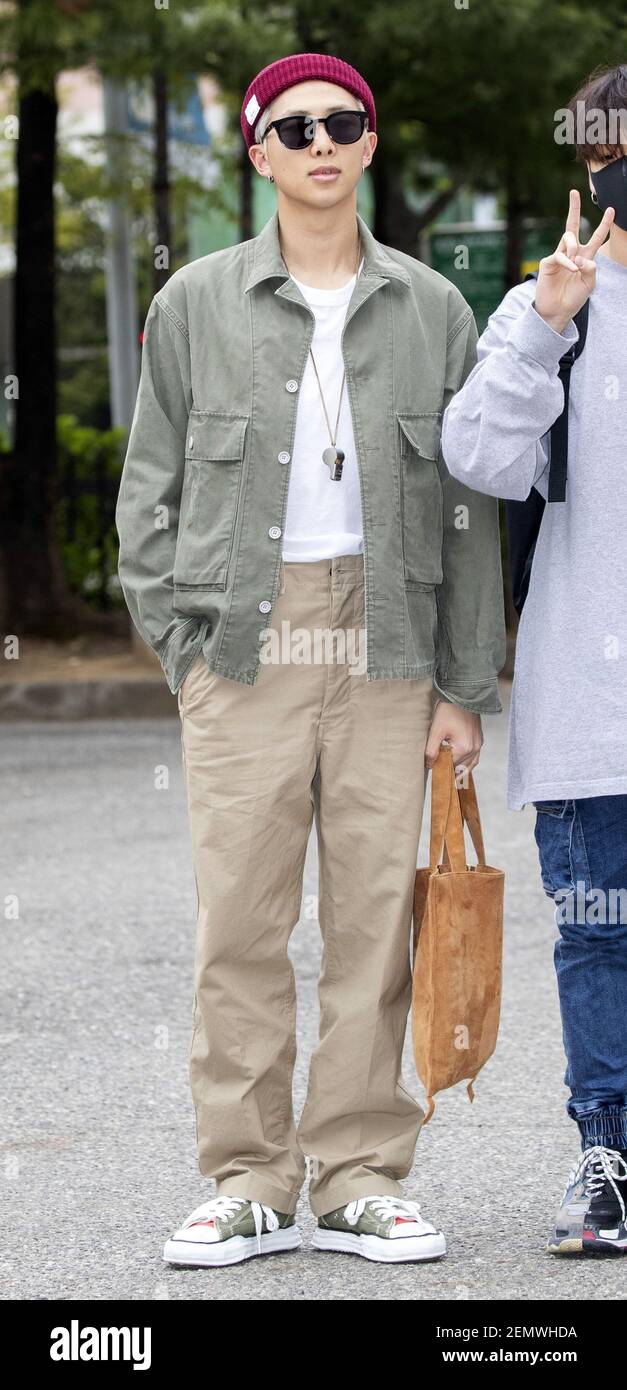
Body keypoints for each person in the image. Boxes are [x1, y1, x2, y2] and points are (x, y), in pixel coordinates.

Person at [115, 51, 506, 1268]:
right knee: (240, 919)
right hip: (244, 634)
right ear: (259, 152)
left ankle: (356, 1177)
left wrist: (461, 684)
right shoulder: (197, 304)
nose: (322, 141)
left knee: (376, 924)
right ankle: (244, 1178)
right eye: (296, 128)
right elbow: (152, 488)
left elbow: (465, 508)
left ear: (371, 145)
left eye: (345, 122)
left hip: (392, 634)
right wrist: (181, 649)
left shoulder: (433, 306)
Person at [441, 64, 627, 1256]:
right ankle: (606, 1159)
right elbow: (477, 457)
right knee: (601, 929)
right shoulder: (555, 310)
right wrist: (546, 321)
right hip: (591, 698)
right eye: (610, 155)